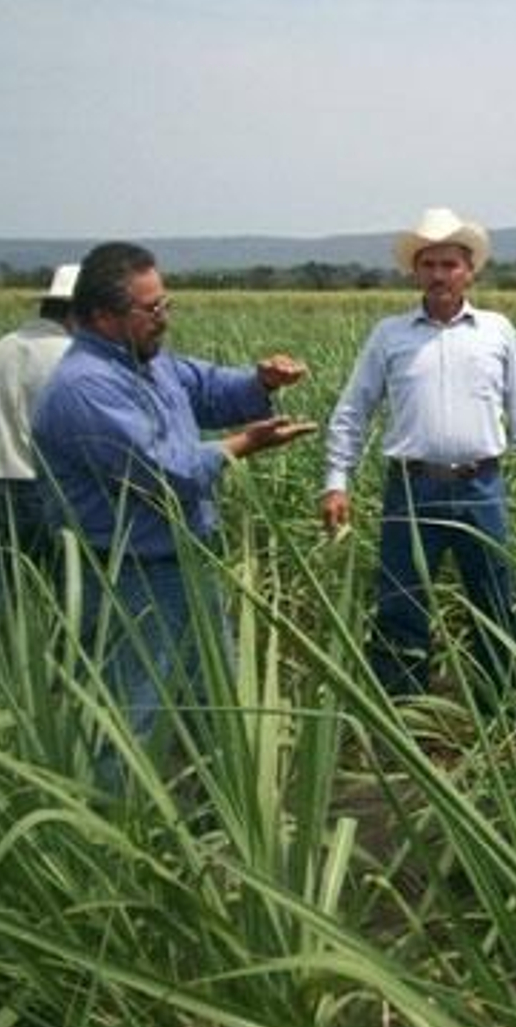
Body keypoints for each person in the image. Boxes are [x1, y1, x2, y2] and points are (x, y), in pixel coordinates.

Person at [31, 242, 314, 762]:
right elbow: (167, 471)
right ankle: (118, 831)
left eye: (166, 303)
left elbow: (206, 389)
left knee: (217, 708)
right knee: (131, 720)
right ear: (102, 317)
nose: (164, 318)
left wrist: (261, 382)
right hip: (130, 580)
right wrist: (244, 445)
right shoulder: (85, 387)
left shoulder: (151, 363)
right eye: (152, 308)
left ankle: (222, 827)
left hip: (188, 565)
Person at [322, 207, 516, 705]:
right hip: (411, 487)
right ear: (415, 271)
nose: (439, 275)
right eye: (429, 264)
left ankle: (499, 710)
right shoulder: (391, 335)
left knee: (493, 600)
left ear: (470, 271)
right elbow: (354, 409)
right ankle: (403, 714)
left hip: (481, 486)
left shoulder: (497, 331)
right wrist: (336, 480)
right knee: (400, 600)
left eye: (450, 264)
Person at [0, 264, 79, 588]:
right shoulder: (72, 356)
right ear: (78, 312)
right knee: (65, 592)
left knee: (1, 587)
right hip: (52, 490)